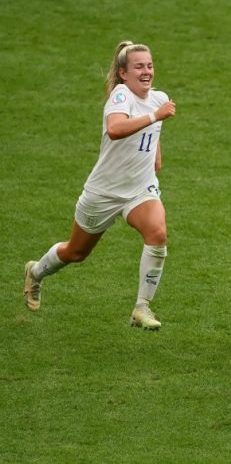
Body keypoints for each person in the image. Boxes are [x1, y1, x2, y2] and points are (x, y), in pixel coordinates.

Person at [23, 40, 176, 330]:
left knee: (157, 233)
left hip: (140, 189)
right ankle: (36, 272)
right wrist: (156, 116)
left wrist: (156, 152)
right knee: (76, 253)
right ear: (123, 73)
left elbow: (152, 132)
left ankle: (141, 308)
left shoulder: (159, 98)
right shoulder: (121, 96)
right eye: (139, 67)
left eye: (150, 65)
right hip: (105, 191)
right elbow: (115, 129)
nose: (146, 71)